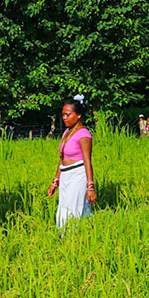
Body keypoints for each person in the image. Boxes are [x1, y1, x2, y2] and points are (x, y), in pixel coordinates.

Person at [47, 94, 96, 229]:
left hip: (78, 175)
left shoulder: (84, 134)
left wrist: (90, 186)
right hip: (66, 176)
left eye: (68, 115)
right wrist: (55, 182)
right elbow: (62, 159)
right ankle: (68, 238)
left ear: (78, 115)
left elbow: (87, 161)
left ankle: (74, 239)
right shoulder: (67, 132)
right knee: (63, 209)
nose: (64, 118)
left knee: (73, 210)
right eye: (63, 115)